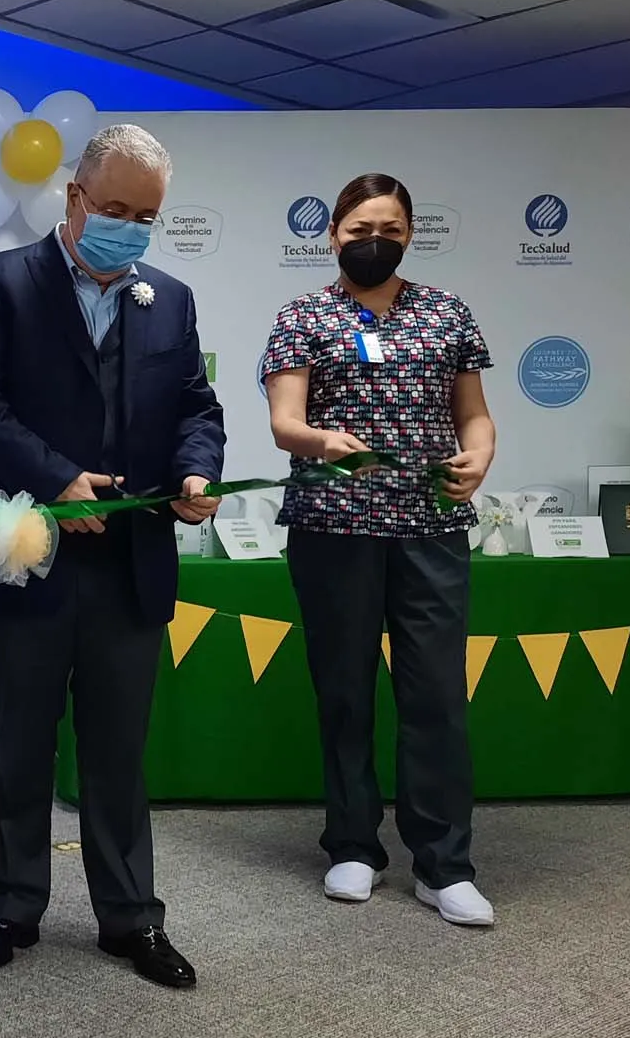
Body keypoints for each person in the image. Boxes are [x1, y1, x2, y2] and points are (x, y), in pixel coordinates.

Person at [0, 124, 222, 987]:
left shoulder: (169, 298)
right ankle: (11, 905)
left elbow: (196, 408)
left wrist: (196, 469)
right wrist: (61, 479)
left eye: (146, 216)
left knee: (117, 752)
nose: (130, 228)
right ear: (74, 199)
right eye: (115, 210)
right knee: (24, 743)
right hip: (26, 551)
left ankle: (131, 919)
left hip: (129, 563)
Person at [259, 171, 498, 927]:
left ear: (409, 235)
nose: (374, 242)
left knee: (435, 696)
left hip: (430, 529)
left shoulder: (447, 313)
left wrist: (480, 458)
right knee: (345, 691)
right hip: (334, 528)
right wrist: (320, 440)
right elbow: (284, 422)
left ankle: (444, 865)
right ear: (333, 235)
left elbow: (476, 417)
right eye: (360, 229)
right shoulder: (304, 315)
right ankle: (353, 847)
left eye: (390, 230)